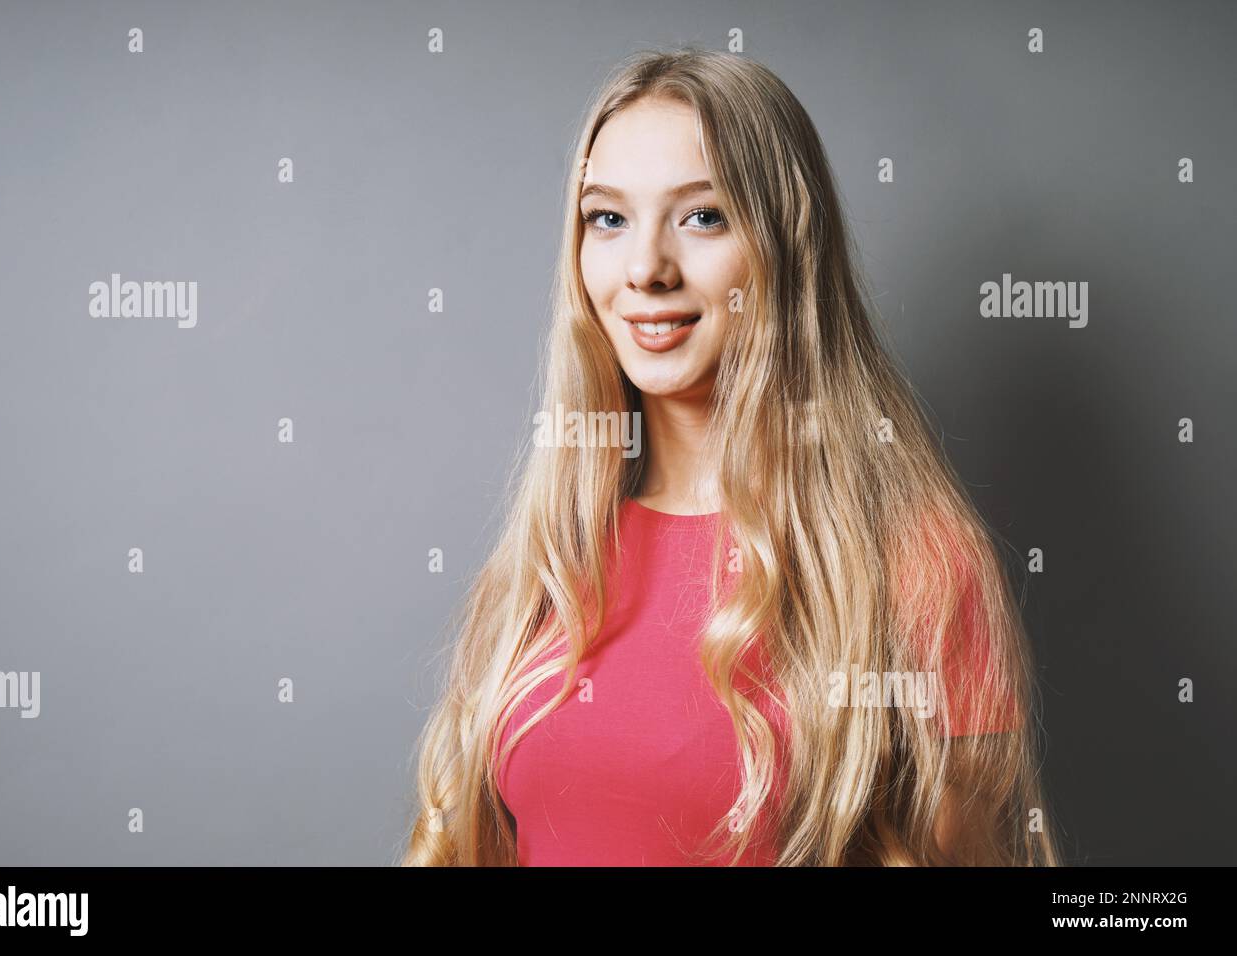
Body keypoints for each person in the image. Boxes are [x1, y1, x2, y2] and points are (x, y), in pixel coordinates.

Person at [401, 47, 1061, 866]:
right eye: (608, 218)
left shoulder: (915, 564)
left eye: (702, 216)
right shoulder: (546, 560)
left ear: (786, 247)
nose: (646, 269)